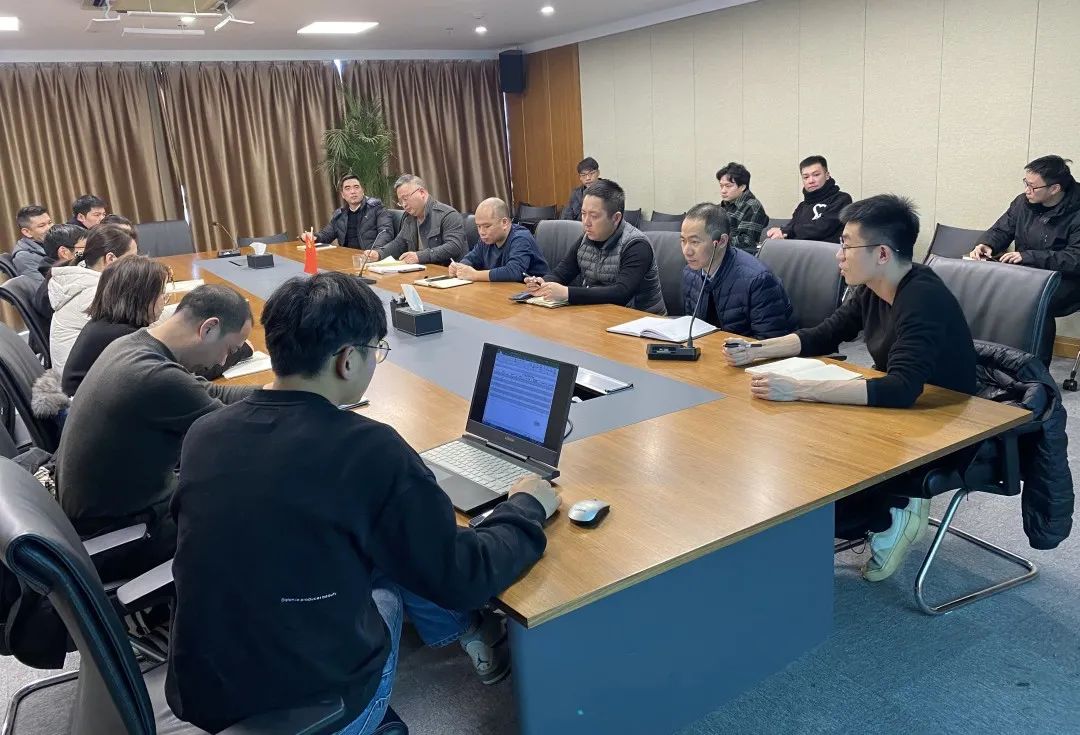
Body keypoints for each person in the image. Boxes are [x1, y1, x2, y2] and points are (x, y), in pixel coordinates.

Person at [165, 272, 559, 732]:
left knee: (382, 539)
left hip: (204, 689)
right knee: (391, 582)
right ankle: (472, 634)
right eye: (376, 350)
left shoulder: (205, 433)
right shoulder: (369, 450)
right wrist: (525, 508)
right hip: (316, 707)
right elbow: (463, 576)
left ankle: (469, 633)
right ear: (348, 360)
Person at [724, 194, 976, 581]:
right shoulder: (874, 287)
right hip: (901, 407)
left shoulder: (922, 297)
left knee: (830, 484)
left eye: (847, 245)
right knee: (803, 446)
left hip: (943, 424)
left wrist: (799, 389)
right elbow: (826, 333)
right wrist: (757, 350)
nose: (839, 255)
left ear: (882, 254)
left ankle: (897, 511)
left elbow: (902, 389)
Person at [55, 284, 255, 580]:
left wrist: (274, 392)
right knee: (256, 514)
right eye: (230, 349)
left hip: (93, 514)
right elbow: (240, 435)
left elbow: (208, 392)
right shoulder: (155, 377)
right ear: (209, 328)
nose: (222, 361)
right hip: (122, 533)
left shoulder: (131, 345)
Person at [969, 155, 1080, 354]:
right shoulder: (1023, 203)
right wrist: (987, 244)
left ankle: (1035, 367)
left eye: (1033, 187)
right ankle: (991, 356)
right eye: (1025, 183)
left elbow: (1075, 258)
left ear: (1054, 189)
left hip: (1068, 279)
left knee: (1035, 301)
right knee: (987, 289)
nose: (1027, 190)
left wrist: (1028, 256)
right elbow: (1001, 230)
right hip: (1029, 273)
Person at [525, 179, 666, 314]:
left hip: (642, 320)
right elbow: (562, 272)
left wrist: (567, 293)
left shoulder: (636, 245)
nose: (586, 222)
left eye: (594, 216)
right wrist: (543, 283)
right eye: (583, 214)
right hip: (600, 315)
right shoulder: (586, 239)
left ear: (616, 218)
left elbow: (621, 293)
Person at [60, 255, 170, 396]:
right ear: (140, 297)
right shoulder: (125, 336)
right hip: (90, 405)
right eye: (162, 293)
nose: (164, 300)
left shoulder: (104, 324)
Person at [680, 203, 795, 339]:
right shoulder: (690, 273)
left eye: (694, 242)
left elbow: (769, 343)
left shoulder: (758, 280)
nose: (686, 251)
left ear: (721, 241)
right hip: (710, 347)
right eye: (683, 241)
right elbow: (693, 329)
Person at [48, 224, 138, 374]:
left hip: (89, 374)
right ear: (110, 259)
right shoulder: (95, 294)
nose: (138, 265)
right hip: (85, 383)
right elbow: (138, 335)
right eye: (133, 259)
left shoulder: (84, 277)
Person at [366, 174, 466, 266]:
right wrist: (379, 254)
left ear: (422, 192)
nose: (404, 205)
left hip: (448, 273)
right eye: (400, 201)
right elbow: (399, 243)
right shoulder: (409, 218)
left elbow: (454, 246)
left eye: (405, 198)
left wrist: (420, 256)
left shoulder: (448, 215)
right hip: (422, 271)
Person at [448, 198, 548, 282]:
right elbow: (471, 258)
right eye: (478, 226)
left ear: (504, 223)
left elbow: (514, 272)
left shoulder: (521, 237)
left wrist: (475, 275)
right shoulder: (487, 239)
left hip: (534, 292)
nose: (482, 232)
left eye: (487, 226)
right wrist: (460, 267)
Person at [765, 155, 853, 243]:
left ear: (827, 175)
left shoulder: (842, 199)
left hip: (829, 250)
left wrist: (787, 231)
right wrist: (781, 233)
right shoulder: (802, 206)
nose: (811, 181)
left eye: (816, 175)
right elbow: (790, 229)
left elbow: (822, 228)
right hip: (798, 249)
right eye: (806, 177)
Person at [313, 174, 394, 251]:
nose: (352, 191)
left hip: (369, 255)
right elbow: (326, 235)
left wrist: (376, 251)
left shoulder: (377, 207)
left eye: (356, 187)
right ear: (343, 195)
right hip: (346, 256)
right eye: (347, 188)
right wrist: (314, 237)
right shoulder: (340, 215)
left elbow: (386, 232)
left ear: (363, 190)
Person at [31, 224, 88, 329]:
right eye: (85, 247)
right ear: (64, 252)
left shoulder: (63, 274)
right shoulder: (59, 284)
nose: (89, 251)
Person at [715, 162, 769, 253]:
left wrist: (715, 241)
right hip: (719, 252)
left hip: (738, 256)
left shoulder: (752, 207)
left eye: (728, 186)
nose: (723, 191)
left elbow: (746, 242)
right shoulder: (723, 206)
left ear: (742, 187)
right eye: (721, 186)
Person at [11, 204, 53, 278]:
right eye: (41, 226)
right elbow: (41, 284)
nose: (49, 228)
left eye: (49, 223)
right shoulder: (24, 257)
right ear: (27, 232)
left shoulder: (51, 242)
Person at [560, 157, 600, 221]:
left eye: (591, 173)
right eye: (583, 175)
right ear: (580, 178)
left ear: (598, 173)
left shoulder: (609, 190)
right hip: (578, 226)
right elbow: (566, 218)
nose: (588, 178)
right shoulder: (576, 194)